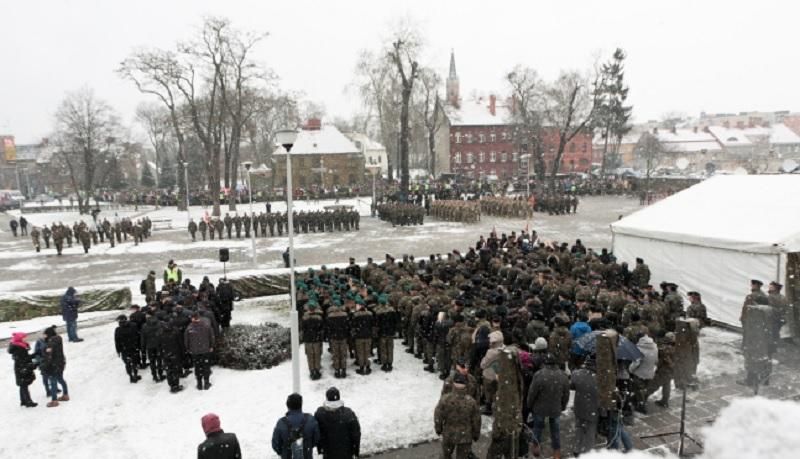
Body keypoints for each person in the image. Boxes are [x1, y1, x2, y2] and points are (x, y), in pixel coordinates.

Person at [527, 354, 570, 459]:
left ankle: (536, 447)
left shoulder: (539, 375)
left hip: (540, 407)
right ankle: (556, 452)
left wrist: (529, 405)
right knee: (555, 430)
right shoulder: (563, 376)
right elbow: (566, 394)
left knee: (538, 428)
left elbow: (532, 392)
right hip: (555, 408)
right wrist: (563, 406)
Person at [434, 372, 481, 459]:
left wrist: (438, 429)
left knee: (446, 456)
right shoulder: (471, 402)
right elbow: (477, 420)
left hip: (448, 434)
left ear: (453, 383)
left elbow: (438, 415)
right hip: (465, 437)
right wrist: (476, 434)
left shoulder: (445, 399)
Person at [314, 387, 361, 459]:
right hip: (346, 453)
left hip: (328, 452)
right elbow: (356, 434)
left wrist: (320, 448)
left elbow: (317, 433)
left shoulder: (320, 413)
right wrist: (355, 451)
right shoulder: (348, 413)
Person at [271, 393, 320, 459]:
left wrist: (284, 452)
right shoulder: (310, 420)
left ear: (287, 405)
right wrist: (307, 446)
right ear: (301, 404)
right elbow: (316, 439)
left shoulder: (281, 423)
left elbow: (275, 445)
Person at [570, 358, 599, 456]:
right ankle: (588, 453)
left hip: (579, 407)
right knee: (590, 433)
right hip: (593, 409)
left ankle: (576, 449)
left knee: (579, 428)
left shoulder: (576, 374)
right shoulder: (599, 378)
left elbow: (572, 385)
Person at [185, 312, 215, 390]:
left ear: (192, 318)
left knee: (197, 367)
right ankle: (206, 382)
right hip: (205, 350)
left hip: (195, 351)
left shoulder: (189, 328)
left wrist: (188, 349)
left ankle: (199, 384)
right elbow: (211, 337)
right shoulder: (206, 326)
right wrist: (211, 346)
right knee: (206, 366)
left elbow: (186, 341)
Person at [41, 326, 69, 407]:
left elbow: (48, 354)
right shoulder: (58, 339)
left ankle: (54, 400)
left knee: (53, 381)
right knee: (60, 379)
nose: (44, 336)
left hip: (54, 364)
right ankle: (65, 395)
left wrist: (45, 364)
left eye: (45, 334)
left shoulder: (50, 342)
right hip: (61, 363)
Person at [8, 332, 38, 407]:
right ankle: (28, 402)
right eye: (24, 338)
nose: (25, 339)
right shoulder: (19, 348)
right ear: (20, 339)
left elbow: (24, 358)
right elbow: (23, 359)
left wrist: (33, 355)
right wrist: (33, 360)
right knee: (24, 385)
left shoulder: (19, 346)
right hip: (22, 368)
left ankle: (23, 401)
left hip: (20, 367)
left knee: (23, 384)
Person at [114, 315, 142, 383]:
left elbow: (117, 341)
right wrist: (139, 346)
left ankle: (131, 377)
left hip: (124, 349)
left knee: (128, 363)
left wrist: (118, 351)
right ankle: (135, 375)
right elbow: (138, 336)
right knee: (134, 362)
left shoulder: (118, 329)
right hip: (133, 348)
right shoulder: (133, 325)